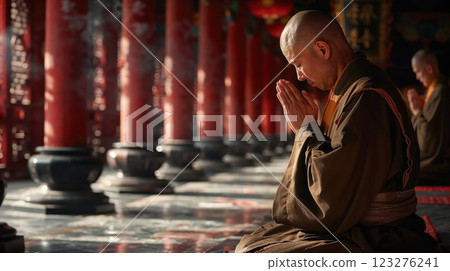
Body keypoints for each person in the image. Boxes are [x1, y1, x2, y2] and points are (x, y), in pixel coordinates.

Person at [235, 10, 438, 253]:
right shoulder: (346, 90)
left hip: (378, 232)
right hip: (349, 218)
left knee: (259, 255)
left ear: (322, 49)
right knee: (254, 240)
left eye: (298, 64)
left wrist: (305, 130)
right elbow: (334, 162)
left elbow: (330, 199)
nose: (299, 75)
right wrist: (309, 128)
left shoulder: (366, 96)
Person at [407, 50, 450, 184]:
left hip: (438, 162)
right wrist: (421, 110)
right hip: (435, 159)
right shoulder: (432, 91)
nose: (417, 78)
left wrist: (416, 112)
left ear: (429, 69)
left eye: (418, 72)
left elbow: (429, 136)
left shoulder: (440, 92)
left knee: (407, 172)